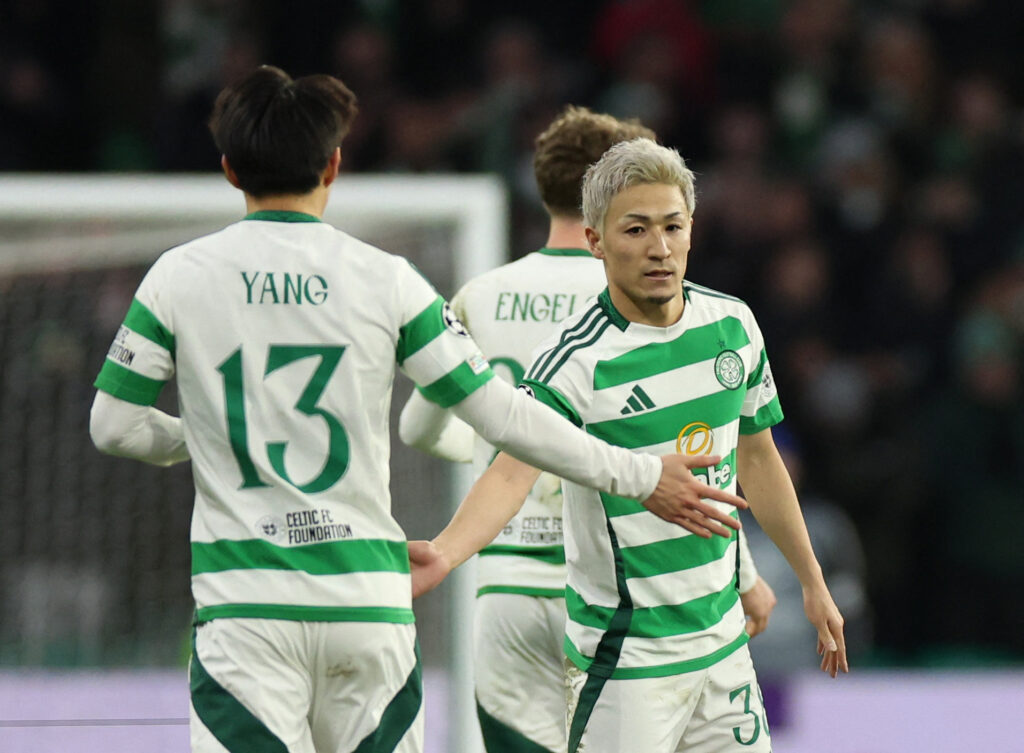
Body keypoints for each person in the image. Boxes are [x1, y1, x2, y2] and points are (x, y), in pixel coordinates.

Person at [88, 67, 749, 753]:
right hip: (368, 601)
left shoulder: (178, 273)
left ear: (228, 169)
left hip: (246, 607)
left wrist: (209, 434)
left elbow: (113, 424)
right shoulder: (386, 278)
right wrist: (640, 473)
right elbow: (504, 415)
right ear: (334, 165)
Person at [411, 137, 848, 753]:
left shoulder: (733, 325)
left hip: (722, 650)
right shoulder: (576, 360)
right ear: (595, 242)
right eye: (636, 229)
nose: (659, 247)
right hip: (627, 661)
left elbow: (757, 456)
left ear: (692, 229)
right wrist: (446, 553)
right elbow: (512, 472)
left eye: (672, 226)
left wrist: (812, 580)